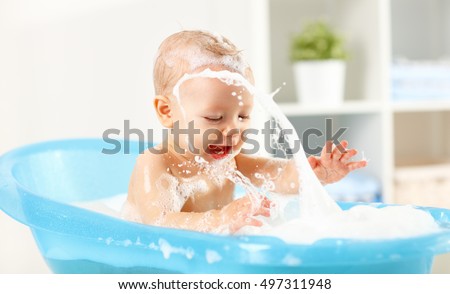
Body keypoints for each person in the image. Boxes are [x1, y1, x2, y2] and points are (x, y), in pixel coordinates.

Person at [123, 30, 367, 234]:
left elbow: (277, 177)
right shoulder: (156, 163)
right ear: (167, 111)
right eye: (214, 117)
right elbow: (158, 223)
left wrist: (314, 174)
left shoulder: (230, 162)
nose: (232, 129)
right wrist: (221, 218)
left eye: (243, 116)